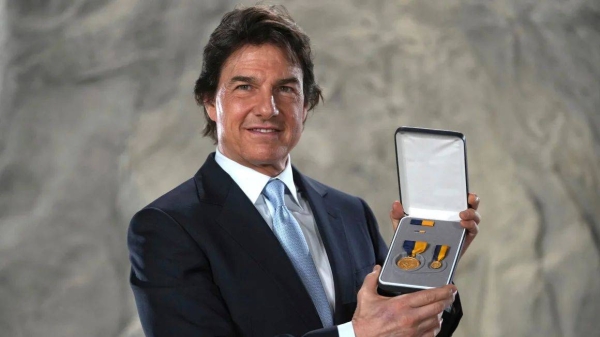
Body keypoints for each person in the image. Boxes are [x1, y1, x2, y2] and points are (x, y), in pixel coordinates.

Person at [127, 4, 481, 337]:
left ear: (307, 104)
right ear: (210, 102)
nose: (267, 109)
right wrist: (356, 334)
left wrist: (430, 266)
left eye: (285, 89)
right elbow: (371, 331)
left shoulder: (350, 212)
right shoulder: (166, 228)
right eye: (245, 87)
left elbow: (398, 327)